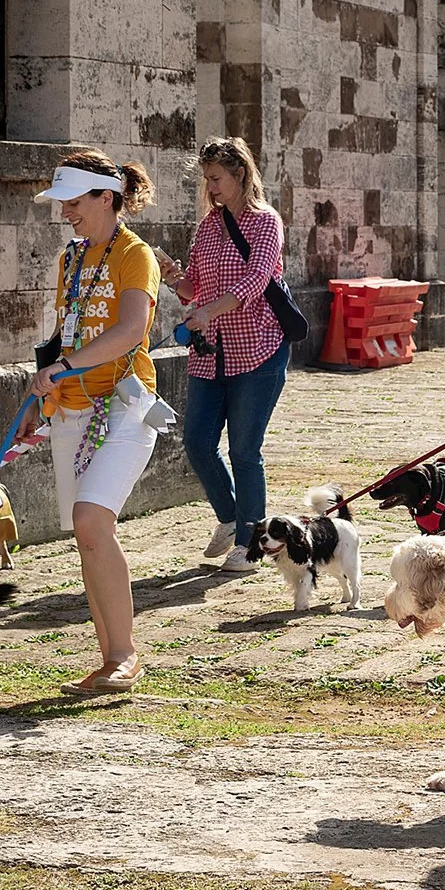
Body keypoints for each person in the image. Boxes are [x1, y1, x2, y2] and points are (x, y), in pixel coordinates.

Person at [26, 149, 165, 694]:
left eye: (74, 201)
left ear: (107, 198)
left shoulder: (136, 254)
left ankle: (125, 655)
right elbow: (64, 337)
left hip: (127, 408)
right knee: (88, 535)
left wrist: (62, 366)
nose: (65, 212)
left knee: (90, 521)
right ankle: (112, 658)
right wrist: (42, 397)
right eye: (62, 203)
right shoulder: (70, 259)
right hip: (72, 409)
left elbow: (132, 329)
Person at [154, 138, 293, 572]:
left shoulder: (265, 222)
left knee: (245, 450)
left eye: (217, 179)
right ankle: (231, 518)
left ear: (240, 176)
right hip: (210, 352)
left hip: (259, 349)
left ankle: (251, 540)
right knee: (196, 441)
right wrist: (173, 277)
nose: (210, 187)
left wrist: (211, 309)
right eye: (207, 179)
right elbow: (194, 287)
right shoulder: (208, 227)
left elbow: (256, 281)